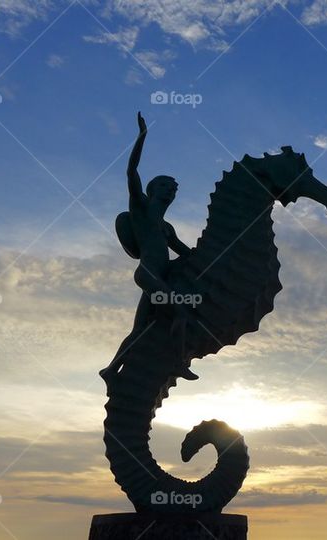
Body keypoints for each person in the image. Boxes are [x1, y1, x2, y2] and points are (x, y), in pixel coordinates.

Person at [99, 112, 198, 381]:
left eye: (174, 189)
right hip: (148, 274)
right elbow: (131, 171)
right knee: (181, 312)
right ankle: (178, 363)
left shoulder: (167, 228)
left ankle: (110, 370)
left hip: (158, 277)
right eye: (166, 185)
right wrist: (142, 136)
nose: (171, 191)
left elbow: (187, 254)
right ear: (153, 190)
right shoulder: (141, 209)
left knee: (140, 329)